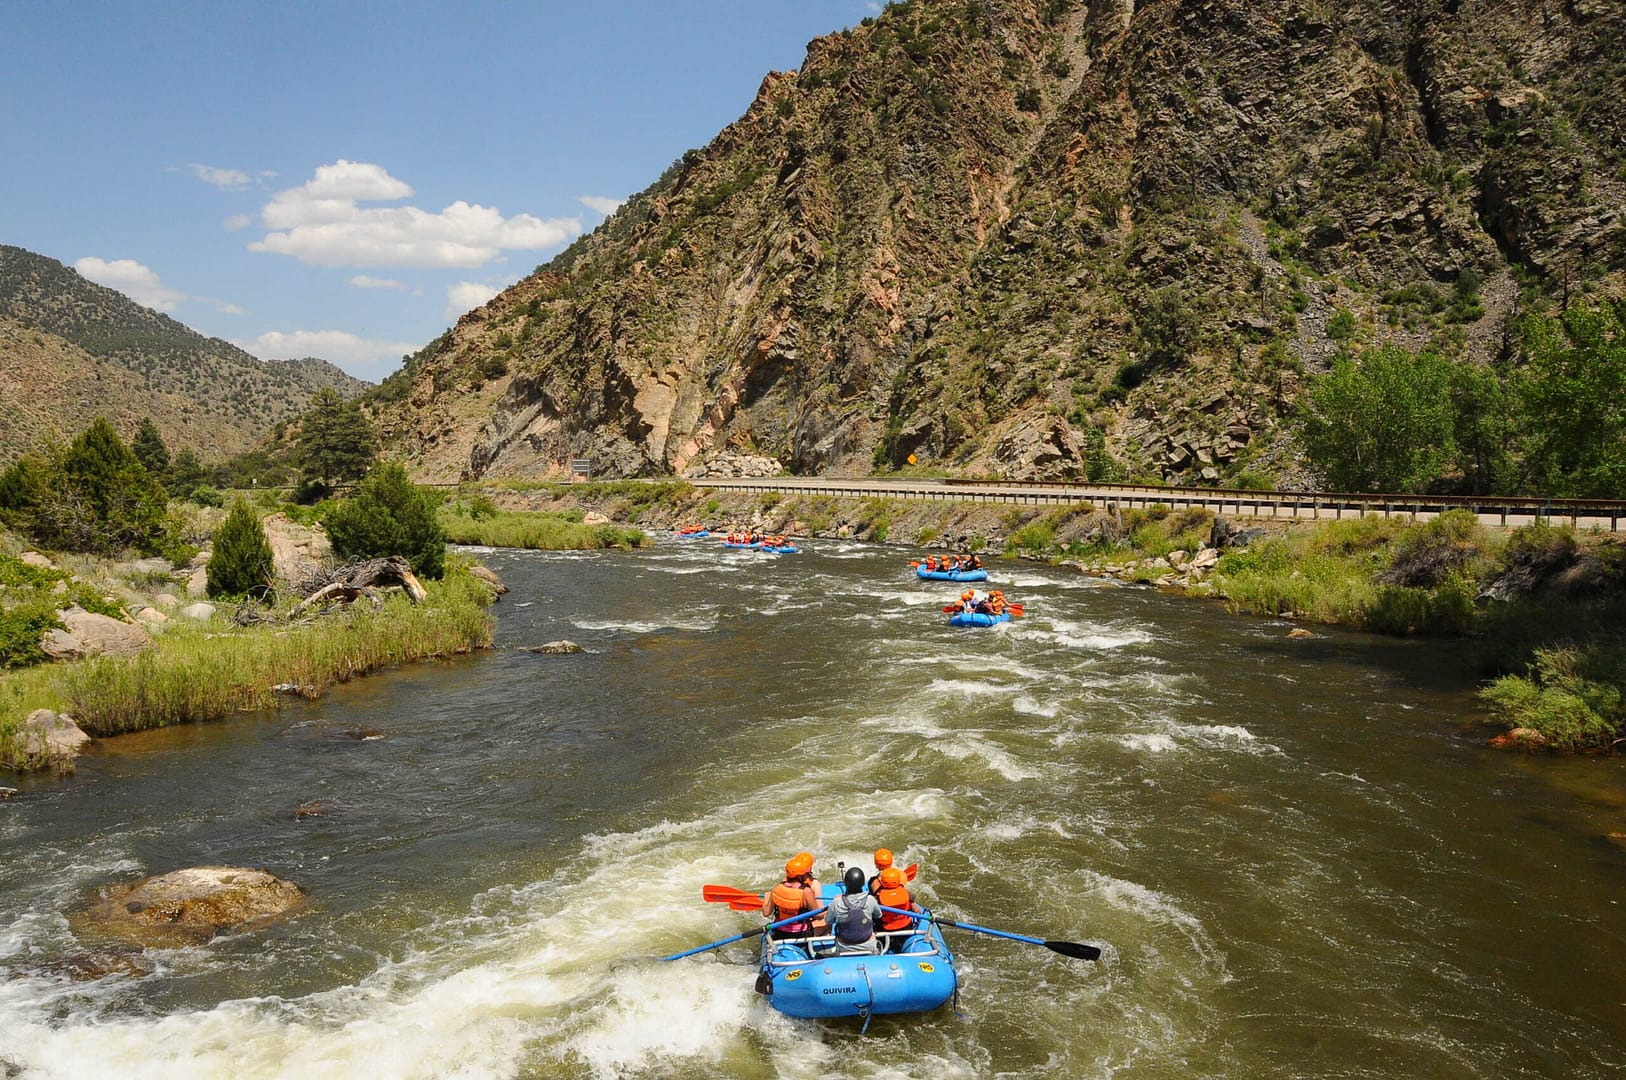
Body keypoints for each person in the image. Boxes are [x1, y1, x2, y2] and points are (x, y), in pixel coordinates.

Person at [762, 852, 825, 939]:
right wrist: (832, 909)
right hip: (801, 934)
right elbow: (819, 916)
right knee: (827, 922)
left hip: (779, 931)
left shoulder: (777, 887)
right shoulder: (806, 892)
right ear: (801, 876)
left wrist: (767, 897)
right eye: (806, 874)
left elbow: (766, 913)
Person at [825, 866, 882, 954]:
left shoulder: (836, 903)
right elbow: (878, 915)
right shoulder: (871, 900)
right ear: (863, 883)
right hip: (868, 946)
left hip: (843, 947)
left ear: (845, 883)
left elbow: (828, 921)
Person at [874, 866, 922, 952]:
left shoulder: (877, 897)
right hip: (905, 931)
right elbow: (917, 911)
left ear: (882, 881)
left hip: (885, 931)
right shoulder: (907, 894)